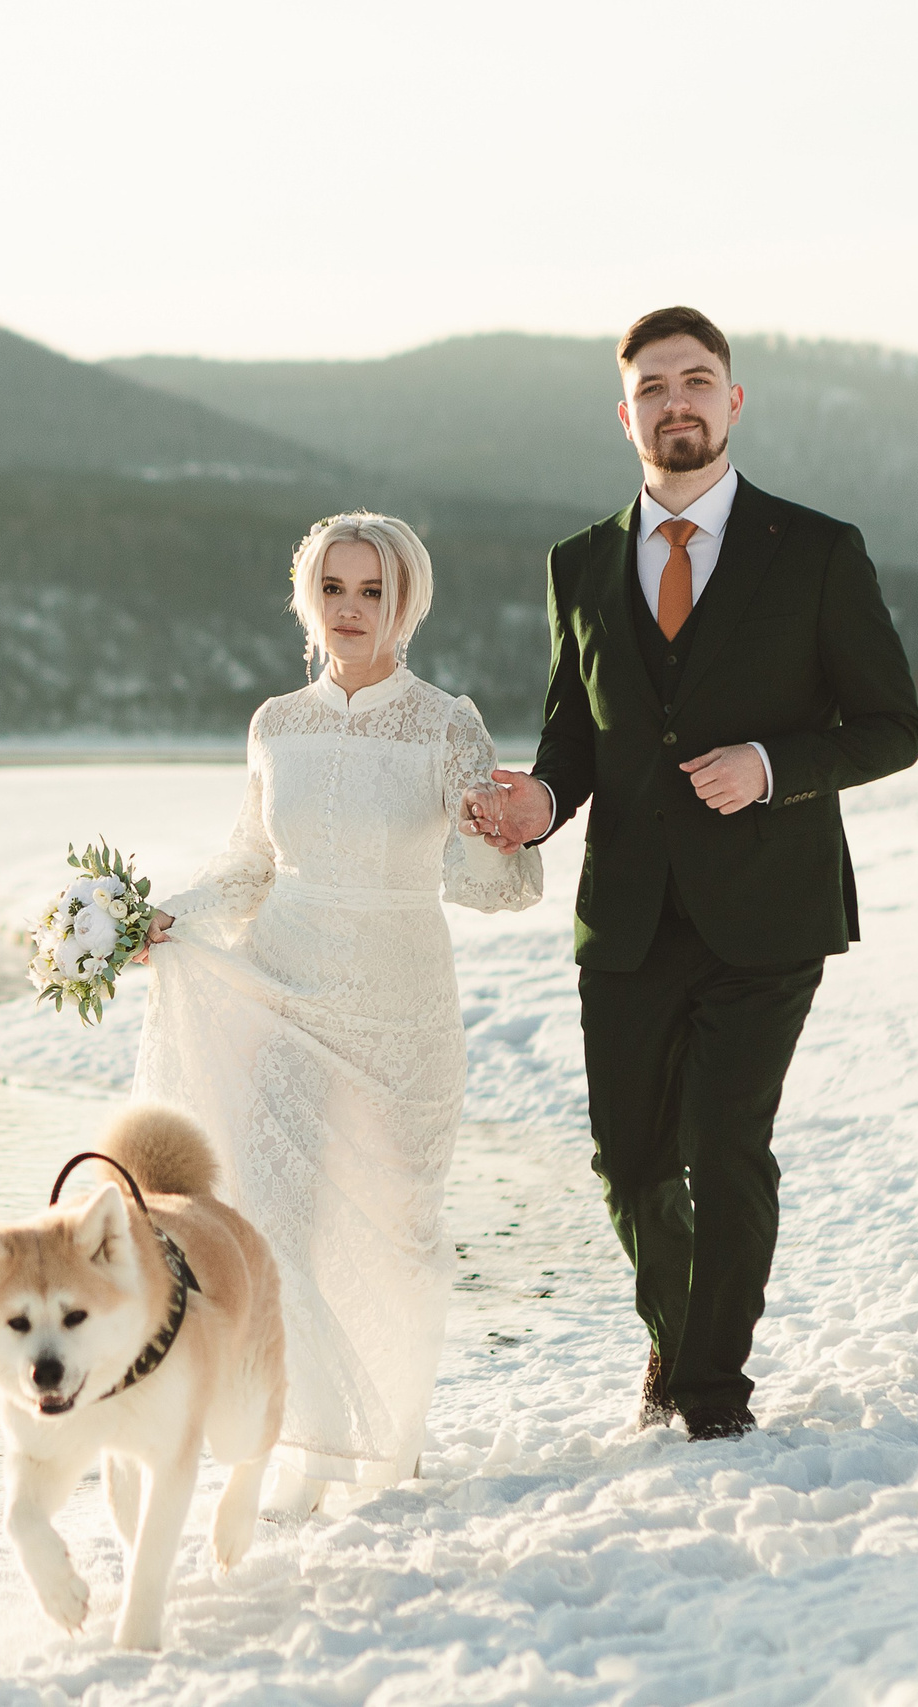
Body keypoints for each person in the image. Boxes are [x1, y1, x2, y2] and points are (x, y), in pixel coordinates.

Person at [466, 306, 918, 1440]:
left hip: (769, 908)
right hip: (624, 914)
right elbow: (574, 732)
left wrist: (772, 766)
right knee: (628, 1168)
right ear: (625, 415)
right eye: (655, 386)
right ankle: (674, 1337)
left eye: (699, 380)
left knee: (725, 1152)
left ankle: (709, 1393)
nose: (678, 401)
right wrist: (541, 800)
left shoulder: (817, 550)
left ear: (733, 400)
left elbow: (891, 726)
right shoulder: (577, 562)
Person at [132, 511, 543, 1511]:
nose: (352, 610)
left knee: (393, 1228)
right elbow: (248, 867)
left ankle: (382, 1446)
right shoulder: (277, 723)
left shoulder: (447, 723)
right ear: (307, 598)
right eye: (334, 589)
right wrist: (162, 916)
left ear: (406, 603)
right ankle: (287, 1448)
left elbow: (503, 887)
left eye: (373, 592)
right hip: (282, 991)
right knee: (279, 1226)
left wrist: (496, 836)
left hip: (402, 1010)